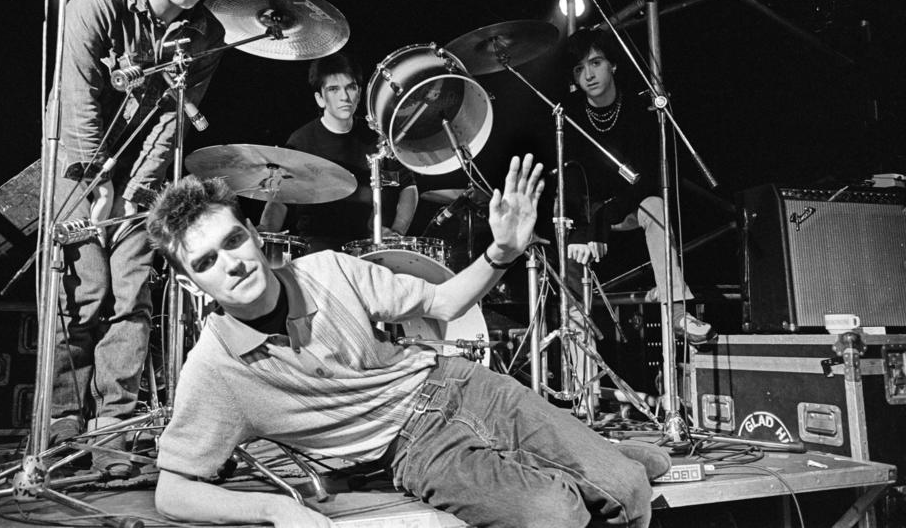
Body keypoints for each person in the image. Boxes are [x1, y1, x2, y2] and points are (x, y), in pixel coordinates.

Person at [146, 155, 662, 528]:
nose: (231, 263)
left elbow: (444, 304)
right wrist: (275, 508)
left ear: (256, 235)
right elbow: (172, 491)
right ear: (192, 283)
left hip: (455, 383)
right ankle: (585, 457)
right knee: (556, 515)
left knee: (629, 491)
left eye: (233, 240)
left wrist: (502, 251)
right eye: (206, 261)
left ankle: (600, 461)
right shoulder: (214, 369)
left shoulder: (327, 270)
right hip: (410, 449)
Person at [46, 0, 230, 476]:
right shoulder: (92, 5)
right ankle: (59, 432)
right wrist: (95, 177)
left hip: (139, 172)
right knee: (84, 294)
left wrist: (137, 193)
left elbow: (174, 119)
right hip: (77, 159)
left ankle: (113, 435)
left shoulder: (207, 34)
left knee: (131, 296)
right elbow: (78, 103)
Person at [560, 28, 714, 345]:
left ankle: (677, 313)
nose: (588, 75)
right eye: (579, 69)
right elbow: (571, 181)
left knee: (656, 205)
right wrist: (586, 226)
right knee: (559, 216)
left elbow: (647, 182)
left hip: (628, 207)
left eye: (596, 63)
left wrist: (606, 218)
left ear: (613, 65)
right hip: (589, 211)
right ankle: (576, 324)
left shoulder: (638, 111)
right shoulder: (571, 117)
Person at [258, 52, 418, 252]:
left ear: (359, 94)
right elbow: (279, 200)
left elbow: (408, 187)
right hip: (317, 247)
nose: (344, 97)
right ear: (320, 99)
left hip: (368, 246)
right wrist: (265, 230)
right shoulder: (300, 142)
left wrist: (397, 232)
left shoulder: (378, 137)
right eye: (334, 89)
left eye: (350, 88)